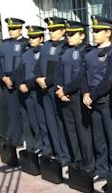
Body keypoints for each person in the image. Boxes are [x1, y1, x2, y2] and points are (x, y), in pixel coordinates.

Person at [82, 15, 112, 180]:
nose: (95, 34)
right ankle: (101, 169)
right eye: (94, 31)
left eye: (99, 31)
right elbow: (84, 75)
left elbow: (109, 79)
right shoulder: (91, 53)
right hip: (92, 99)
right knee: (98, 137)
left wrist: (91, 95)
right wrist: (85, 92)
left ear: (108, 33)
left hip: (106, 100)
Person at [54, 20, 94, 170]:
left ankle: (89, 164)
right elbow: (58, 71)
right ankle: (77, 161)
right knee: (70, 131)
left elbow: (83, 75)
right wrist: (59, 90)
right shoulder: (64, 50)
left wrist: (66, 89)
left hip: (77, 95)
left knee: (83, 132)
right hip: (63, 95)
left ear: (82, 35)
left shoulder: (87, 50)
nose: (68, 37)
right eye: (67, 34)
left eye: (72, 34)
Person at [35, 17, 70, 165]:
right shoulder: (45, 46)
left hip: (56, 88)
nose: (51, 33)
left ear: (63, 30)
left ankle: (65, 154)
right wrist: (38, 78)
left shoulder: (66, 47)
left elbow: (60, 70)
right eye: (50, 30)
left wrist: (47, 81)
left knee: (60, 123)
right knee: (50, 122)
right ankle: (56, 152)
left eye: (55, 30)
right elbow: (38, 65)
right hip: (44, 89)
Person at [14, 25, 49, 154]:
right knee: (33, 121)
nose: (31, 40)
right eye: (30, 37)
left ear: (41, 38)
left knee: (42, 121)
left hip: (37, 90)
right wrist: (20, 84)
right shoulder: (26, 53)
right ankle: (39, 144)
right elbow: (19, 71)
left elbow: (39, 73)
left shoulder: (44, 51)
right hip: (26, 91)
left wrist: (28, 85)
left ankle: (47, 146)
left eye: (35, 37)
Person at [0, 17, 28, 146]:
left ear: (20, 29)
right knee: (13, 113)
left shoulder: (26, 43)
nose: (11, 31)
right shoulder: (4, 44)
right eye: (9, 29)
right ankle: (17, 141)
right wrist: (4, 78)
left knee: (26, 113)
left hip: (21, 81)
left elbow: (24, 64)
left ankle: (28, 139)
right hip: (7, 82)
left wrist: (13, 78)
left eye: (14, 29)